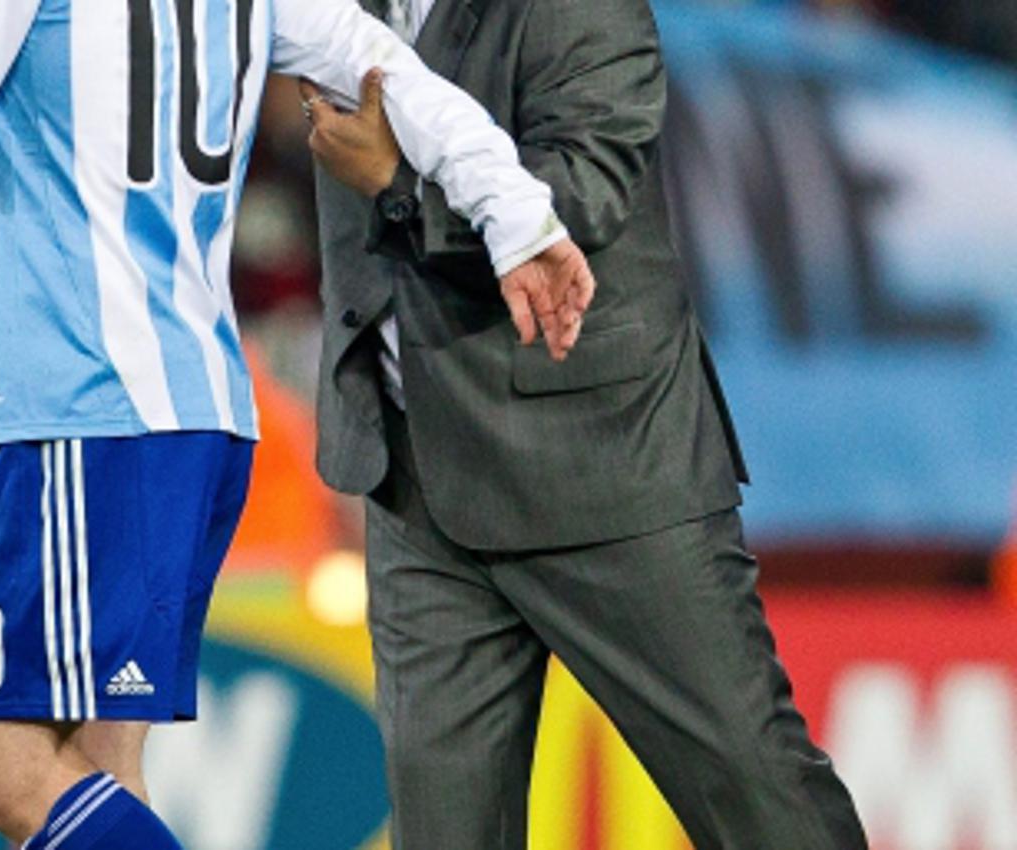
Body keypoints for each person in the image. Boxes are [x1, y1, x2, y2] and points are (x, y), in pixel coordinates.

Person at [0, 0, 591, 846]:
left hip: (86, 404)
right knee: (99, 766)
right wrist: (518, 213)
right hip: (199, 406)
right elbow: (388, 66)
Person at [300, 0, 869, 847]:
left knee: (756, 801)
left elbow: (583, 193)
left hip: (601, 461)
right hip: (415, 473)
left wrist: (399, 186)